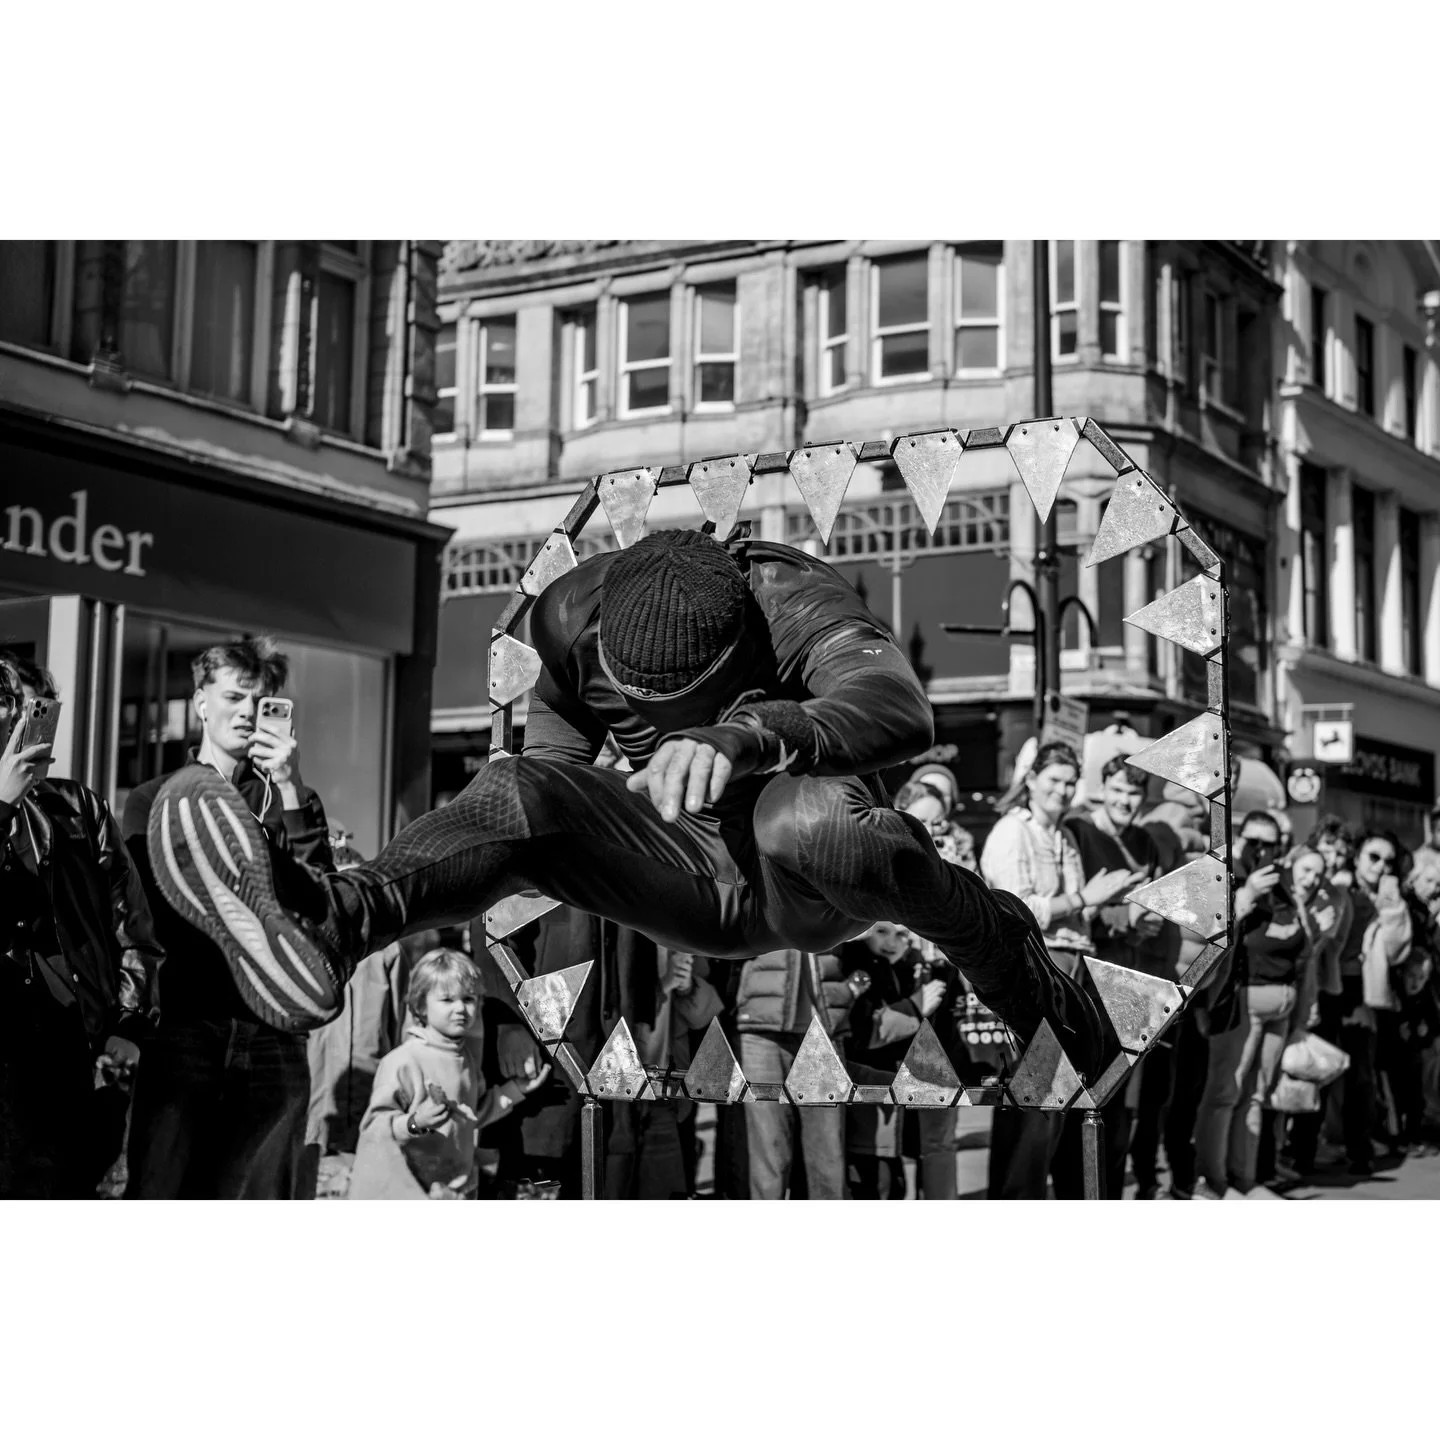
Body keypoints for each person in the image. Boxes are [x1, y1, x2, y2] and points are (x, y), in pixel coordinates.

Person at [143, 530, 1112, 1118]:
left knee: (806, 821)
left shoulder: (787, 597)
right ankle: (331, 923)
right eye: (645, 707)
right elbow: (546, 801)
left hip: (806, 874)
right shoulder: (570, 617)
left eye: (684, 707)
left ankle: (1026, 976)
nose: (659, 726)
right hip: (680, 870)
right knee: (521, 786)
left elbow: (899, 706)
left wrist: (746, 735)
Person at [122, 636, 337, 1200]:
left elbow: (323, 908)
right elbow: (147, 919)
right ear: (201, 702)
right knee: (162, 1195)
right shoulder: (154, 799)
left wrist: (289, 788)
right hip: (187, 1027)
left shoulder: (292, 801)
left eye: (261, 701)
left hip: (274, 1035)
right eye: (234, 697)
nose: (246, 712)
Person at [0, 654, 164, 1197]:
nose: (32, 728)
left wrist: (128, 1024)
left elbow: (131, 923)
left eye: (43, 713)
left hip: (78, 1044)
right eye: (22, 711)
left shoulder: (77, 807)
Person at [979, 741, 1143, 1198]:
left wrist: (1108, 902)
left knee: (1066, 1102)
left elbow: (1076, 912)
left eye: (1071, 782)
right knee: (1035, 1103)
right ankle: (1015, 1202)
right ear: (1030, 779)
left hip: (1069, 970)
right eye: (1054, 779)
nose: (1063, 790)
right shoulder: (1011, 831)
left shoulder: (1066, 836)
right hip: (1033, 973)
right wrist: (1083, 898)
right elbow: (1012, 908)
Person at [349, 949, 551, 1199]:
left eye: (468, 999)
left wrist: (515, 1090)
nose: (460, 1008)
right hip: (410, 1191)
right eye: (447, 1000)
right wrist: (414, 1123)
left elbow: (470, 1116)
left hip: (458, 1189)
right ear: (421, 1005)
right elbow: (374, 1128)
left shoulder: (465, 1060)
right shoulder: (403, 1062)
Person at [1191, 814, 1314, 1198]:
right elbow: (1212, 939)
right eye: (1253, 842)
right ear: (1240, 841)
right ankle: (1213, 1182)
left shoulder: (1284, 888)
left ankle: (1244, 1180)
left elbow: (1303, 947)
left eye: (1270, 844)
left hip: (1281, 1005)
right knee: (1225, 1093)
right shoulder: (1228, 880)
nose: (1262, 851)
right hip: (1240, 1001)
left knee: (1256, 1096)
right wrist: (1243, 898)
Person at [1065, 753, 1170, 1198]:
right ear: (1102, 790)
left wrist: (1148, 921)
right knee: (1084, 1099)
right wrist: (1125, 918)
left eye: (1133, 792)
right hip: (1087, 984)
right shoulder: (1077, 832)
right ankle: (1078, 1194)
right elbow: (1075, 906)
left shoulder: (1145, 841)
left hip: (1132, 983)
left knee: (1122, 1104)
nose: (1125, 800)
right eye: (1118, 790)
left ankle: (1109, 1194)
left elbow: (1150, 904)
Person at [726, 944, 861, 1199]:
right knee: (767, 1155)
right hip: (761, 1024)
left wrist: (847, 992)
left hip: (824, 1028)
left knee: (828, 1156)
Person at [1328, 830, 1412, 1175]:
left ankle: (1359, 1150)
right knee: (1327, 1065)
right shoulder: (1339, 887)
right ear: (1357, 857)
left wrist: (1391, 907)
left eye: (1388, 861)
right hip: (1332, 986)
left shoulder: (1390, 899)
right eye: (1374, 857)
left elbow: (1395, 951)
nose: (1381, 866)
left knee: (1361, 1072)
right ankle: (1308, 1149)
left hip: (1366, 991)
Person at [843, 922, 946, 1199]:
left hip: (890, 1097)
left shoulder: (904, 969)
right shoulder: (856, 965)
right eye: (881, 931)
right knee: (873, 1182)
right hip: (865, 1101)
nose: (892, 942)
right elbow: (860, 1030)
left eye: (901, 935)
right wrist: (913, 1007)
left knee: (893, 1178)